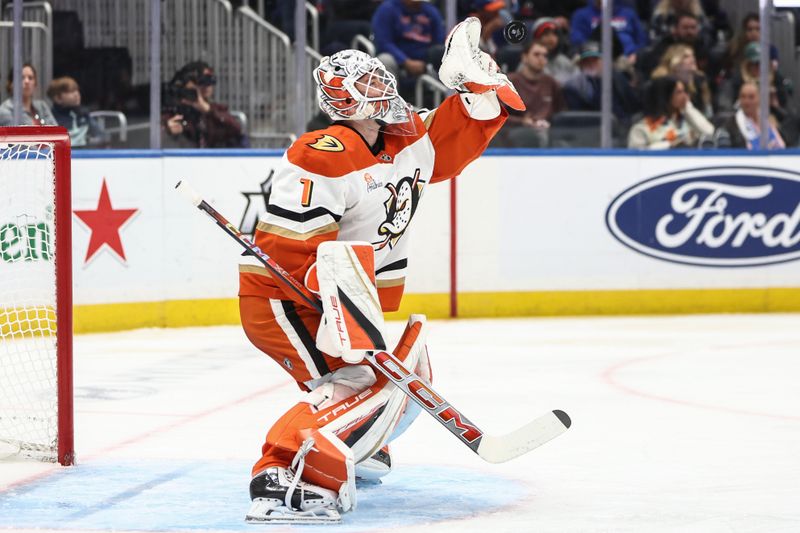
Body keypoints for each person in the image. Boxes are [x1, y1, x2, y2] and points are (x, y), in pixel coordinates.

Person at [237, 17, 523, 523]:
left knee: (410, 380)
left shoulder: (408, 136)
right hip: (286, 300)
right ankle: (281, 471)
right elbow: (289, 254)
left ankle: (360, 444)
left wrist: (480, 88)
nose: (381, 86)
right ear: (345, 102)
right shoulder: (320, 155)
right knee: (354, 384)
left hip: (346, 298)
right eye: (366, 83)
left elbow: (454, 142)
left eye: (377, 76)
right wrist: (340, 311)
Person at [162, 61, 246, 148]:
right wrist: (166, 129)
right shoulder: (172, 111)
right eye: (201, 82)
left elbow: (236, 129)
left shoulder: (214, 110)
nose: (206, 86)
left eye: (210, 81)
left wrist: (207, 109)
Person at [371, 0, 445, 89]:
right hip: (397, 57)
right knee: (384, 60)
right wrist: (405, 61)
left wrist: (425, 63)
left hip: (425, 59)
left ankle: (448, 97)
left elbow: (439, 41)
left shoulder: (430, 10)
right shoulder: (387, 8)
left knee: (443, 53)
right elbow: (384, 42)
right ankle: (390, 100)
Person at [503, 40, 565, 147]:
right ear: (524, 57)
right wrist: (522, 121)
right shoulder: (509, 82)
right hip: (516, 136)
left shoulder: (551, 83)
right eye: (536, 54)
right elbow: (497, 115)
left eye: (545, 55)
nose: (541, 59)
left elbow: (560, 112)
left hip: (547, 134)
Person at [627, 75, 713, 149]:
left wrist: (688, 108)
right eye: (679, 92)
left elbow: (709, 133)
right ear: (665, 96)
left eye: (685, 91)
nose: (685, 96)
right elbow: (637, 158)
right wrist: (670, 145)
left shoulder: (689, 121)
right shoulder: (641, 129)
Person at [570, 0, 648, 68]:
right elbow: (578, 41)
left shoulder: (629, 13)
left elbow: (642, 41)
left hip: (628, 59)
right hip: (596, 59)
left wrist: (635, 54)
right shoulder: (581, 15)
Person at [650, 44, 712, 118]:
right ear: (674, 63)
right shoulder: (659, 85)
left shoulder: (698, 83)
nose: (694, 69)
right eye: (686, 57)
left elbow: (708, 116)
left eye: (693, 57)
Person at [722, 81, 785, 150]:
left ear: (759, 98)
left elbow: (782, 146)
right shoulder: (732, 124)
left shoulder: (770, 121)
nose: (746, 101)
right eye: (743, 97)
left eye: (751, 97)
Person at [47, 76, 106, 148]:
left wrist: (89, 143)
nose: (77, 94)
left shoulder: (83, 115)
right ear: (58, 98)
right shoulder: (50, 118)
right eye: (71, 91)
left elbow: (100, 136)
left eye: (77, 90)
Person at [532, 17, 578, 85]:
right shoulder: (528, 61)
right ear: (536, 39)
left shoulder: (563, 61)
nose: (551, 38)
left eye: (554, 34)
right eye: (546, 34)